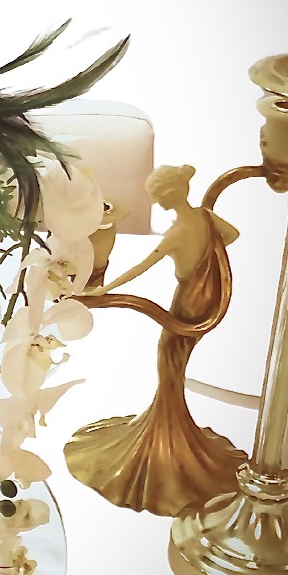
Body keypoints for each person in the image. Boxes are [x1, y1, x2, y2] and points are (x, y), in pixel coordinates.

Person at [64, 165, 246, 517]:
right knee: (174, 356)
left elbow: (143, 266)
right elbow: (232, 235)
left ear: (171, 194)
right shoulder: (205, 217)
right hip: (205, 293)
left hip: (189, 300)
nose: (157, 202)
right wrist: (207, 255)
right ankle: (169, 427)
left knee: (168, 354)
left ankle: (169, 438)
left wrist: (104, 288)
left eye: (158, 196)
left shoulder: (176, 232)